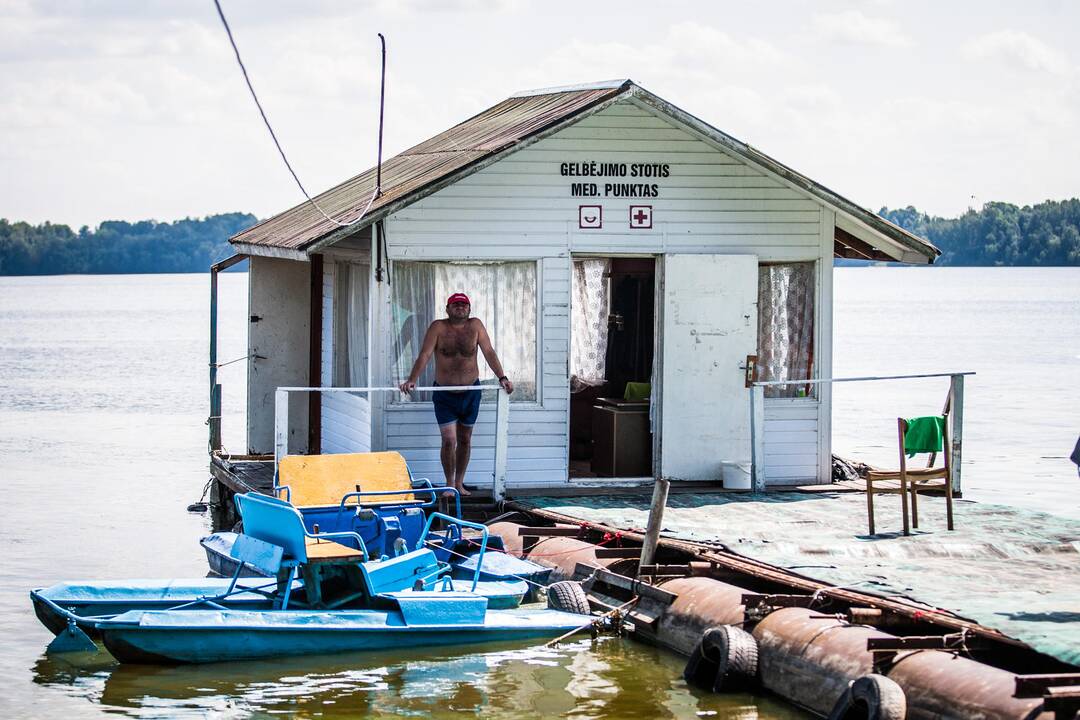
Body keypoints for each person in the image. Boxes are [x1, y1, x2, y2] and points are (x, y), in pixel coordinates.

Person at [399, 293, 514, 496]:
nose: (460, 307)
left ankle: (459, 483)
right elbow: (425, 354)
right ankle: (449, 484)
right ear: (447, 309)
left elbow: (489, 351)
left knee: (465, 439)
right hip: (445, 394)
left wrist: (502, 377)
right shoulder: (438, 327)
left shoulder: (476, 326)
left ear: (469, 309)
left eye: (463, 304)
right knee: (449, 440)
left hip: (471, 392)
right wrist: (412, 379)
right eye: (455, 304)